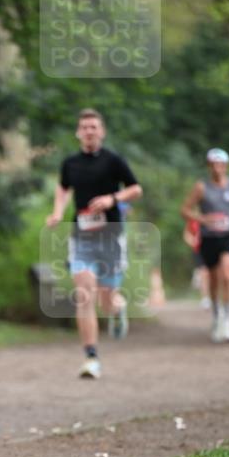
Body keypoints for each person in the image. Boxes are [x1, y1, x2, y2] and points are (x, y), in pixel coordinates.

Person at [46, 108, 143, 379]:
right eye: (85, 127)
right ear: (78, 132)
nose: (89, 131)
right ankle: (91, 357)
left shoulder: (114, 161)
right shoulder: (70, 163)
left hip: (110, 236)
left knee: (107, 299)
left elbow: (136, 189)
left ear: (102, 132)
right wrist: (57, 212)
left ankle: (117, 308)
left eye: (94, 127)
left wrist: (113, 199)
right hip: (82, 236)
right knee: (85, 293)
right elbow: (63, 188)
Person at [181, 148, 229, 343]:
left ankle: (227, 321)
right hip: (209, 238)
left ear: (226, 166)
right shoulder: (201, 187)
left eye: (221, 164)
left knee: (227, 275)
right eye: (213, 164)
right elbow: (185, 209)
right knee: (213, 279)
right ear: (209, 166)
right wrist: (202, 219)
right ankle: (217, 315)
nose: (217, 168)